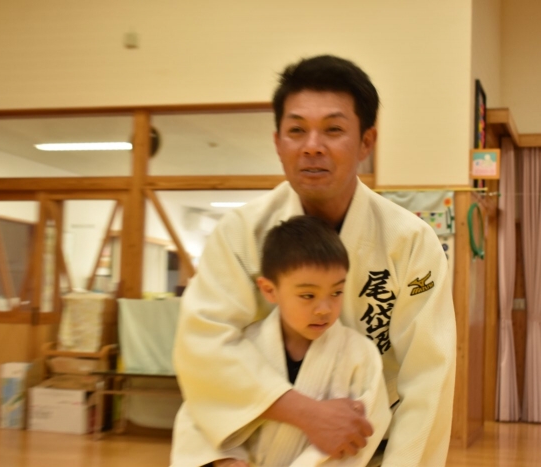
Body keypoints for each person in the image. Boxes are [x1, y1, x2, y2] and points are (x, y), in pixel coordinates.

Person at [172, 54, 456, 466]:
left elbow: (428, 376)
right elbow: (204, 344)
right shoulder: (242, 232)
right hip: (250, 447)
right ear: (278, 142)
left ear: (366, 142)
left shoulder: (409, 242)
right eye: (297, 130)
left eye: (333, 129)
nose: (312, 146)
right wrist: (306, 414)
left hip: (364, 447)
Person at [170, 215, 391, 467]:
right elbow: (201, 410)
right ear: (269, 290)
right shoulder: (245, 347)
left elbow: (360, 432)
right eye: (308, 295)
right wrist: (225, 459)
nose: (324, 309)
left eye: (336, 292)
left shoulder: (360, 354)